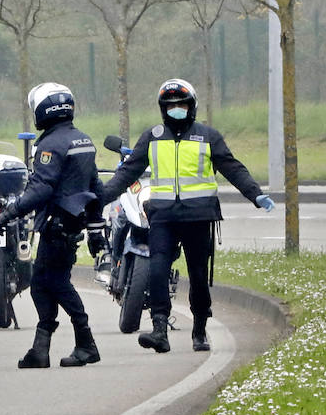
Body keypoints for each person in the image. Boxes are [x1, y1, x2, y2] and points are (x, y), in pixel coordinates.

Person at [98, 79, 273, 353]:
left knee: (198, 276)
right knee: (156, 270)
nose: (176, 110)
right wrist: (102, 196)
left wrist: (255, 194)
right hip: (163, 217)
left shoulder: (208, 136)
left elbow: (231, 167)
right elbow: (127, 172)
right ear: (162, 109)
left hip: (198, 217)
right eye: (170, 106)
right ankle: (159, 329)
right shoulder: (153, 137)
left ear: (192, 107)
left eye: (181, 105)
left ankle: (200, 328)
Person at [0, 82, 103, 369]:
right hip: (70, 223)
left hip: (58, 224)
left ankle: (86, 343)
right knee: (41, 283)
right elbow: (95, 185)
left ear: (42, 110)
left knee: (56, 283)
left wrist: (5, 215)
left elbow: (41, 189)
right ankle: (41, 348)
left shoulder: (50, 145)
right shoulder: (82, 140)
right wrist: (96, 227)